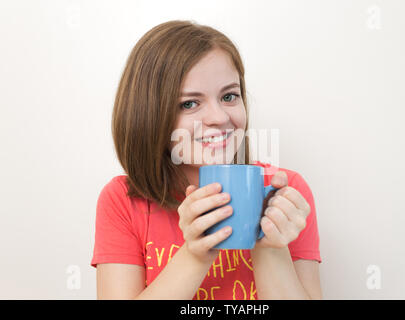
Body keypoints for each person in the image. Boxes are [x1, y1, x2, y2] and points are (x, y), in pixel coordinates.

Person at [91, 20, 322, 300]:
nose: (219, 118)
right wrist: (195, 255)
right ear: (149, 116)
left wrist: (271, 246)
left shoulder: (285, 191)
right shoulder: (122, 201)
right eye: (189, 103)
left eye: (229, 96)